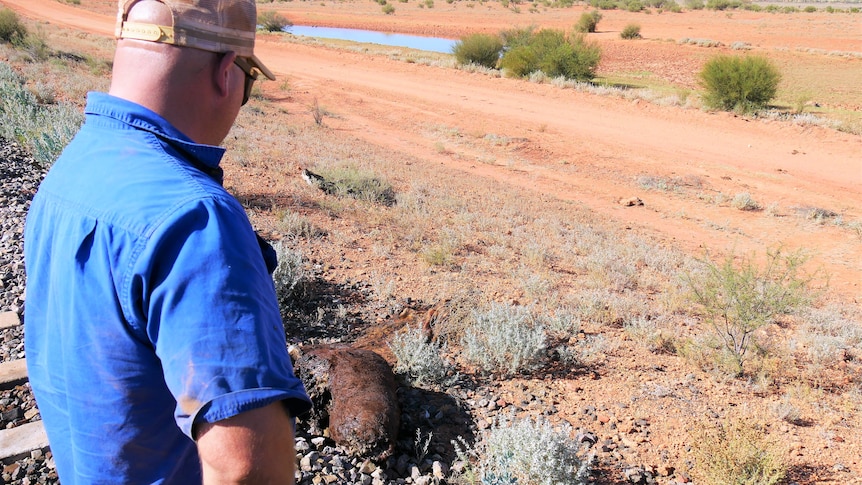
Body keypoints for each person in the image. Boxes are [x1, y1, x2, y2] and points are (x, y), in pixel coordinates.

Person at [23, 1, 312, 483]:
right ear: (227, 73)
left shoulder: (70, 171)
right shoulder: (196, 221)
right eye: (249, 83)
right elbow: (244, 465)